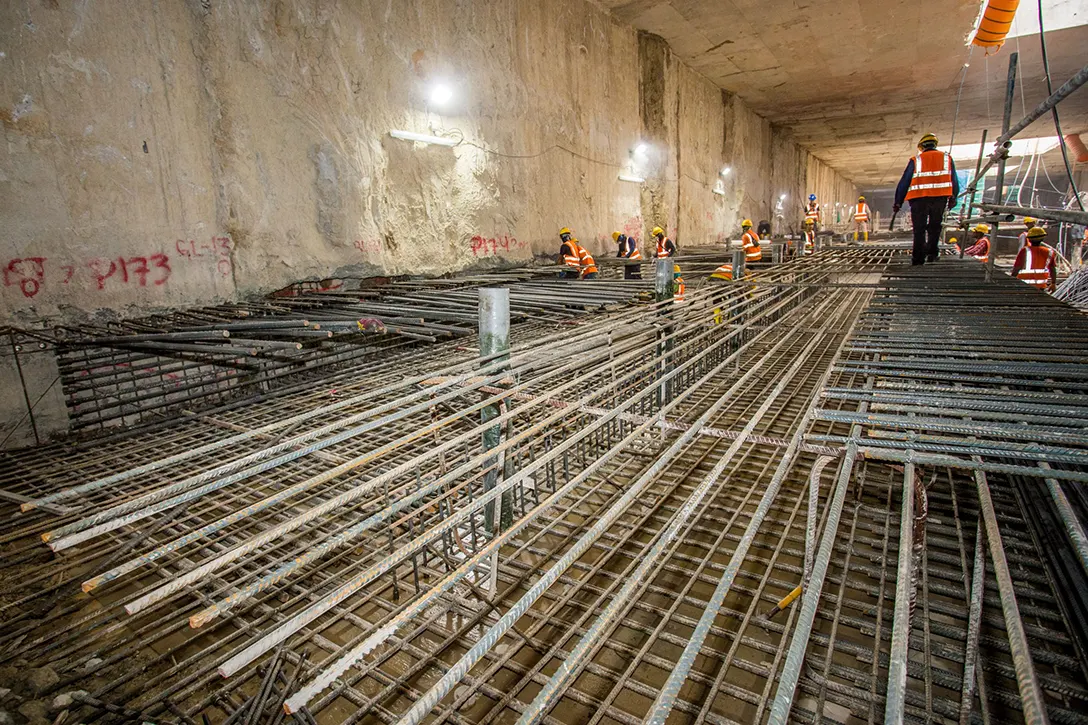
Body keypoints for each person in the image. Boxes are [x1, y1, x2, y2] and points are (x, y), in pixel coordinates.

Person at [894, 133, 960, 265]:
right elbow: (954, 179)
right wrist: (954, 197)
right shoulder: (947, 158)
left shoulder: (916, 160)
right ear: (934, 145)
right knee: (935, 227)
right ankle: (932, 254)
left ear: (922, 147)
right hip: (939, 199)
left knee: (919, 229)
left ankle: (918, 259)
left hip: (919, 199)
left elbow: (905, 181)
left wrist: (898, 201)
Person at [1011, 226, 1057, 292]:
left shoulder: (1025, 251)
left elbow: (1017, 268)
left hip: (1024, 285)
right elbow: (1052, 269)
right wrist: (1053, 283)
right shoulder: (1049, 252)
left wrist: (1012, 280)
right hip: (1041, 286)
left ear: (1029, 239)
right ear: (1043, 238)